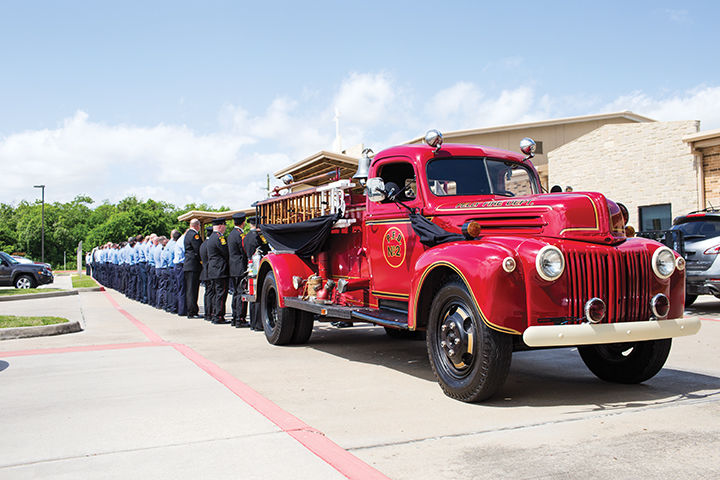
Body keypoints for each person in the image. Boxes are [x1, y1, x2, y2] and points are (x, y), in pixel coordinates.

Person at [243, 217, 269, 331]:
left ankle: (253, 322)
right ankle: (258, 323)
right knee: (258, 295)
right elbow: (266, 248)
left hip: (250, 266)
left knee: (253, 294)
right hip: (257, 265)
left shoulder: (246, 236)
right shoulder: (258, 236)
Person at [206, 218, 230, 324]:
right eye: (224, 226)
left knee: (216, 293)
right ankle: (219, 316)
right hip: (220, 269)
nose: (225, 228)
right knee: (221, 294)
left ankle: (214, 314)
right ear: (221, 226)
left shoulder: (211, 237)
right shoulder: (219, 237)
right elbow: (225, 251)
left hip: (213, 269)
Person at [228, 212, 248, 327]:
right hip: (240, 267)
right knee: (241, 293)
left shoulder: (231, 234)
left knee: (236, 293)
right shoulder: (240, 235)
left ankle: (235, 317)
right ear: (243, 222)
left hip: (233, 267)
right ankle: (240, 318)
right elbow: (244, 249)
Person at [183, 219, 202, 319]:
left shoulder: (187, 234)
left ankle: (191, 310)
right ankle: (192, 311)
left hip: (189, 265)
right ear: (197, 226)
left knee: (191, 289)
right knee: (192, 290)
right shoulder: (194, 235)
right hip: (193, 265)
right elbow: (198, 250)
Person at [200, 225, 213, 320]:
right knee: (211, 293)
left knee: (207, 293)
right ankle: (210, 313)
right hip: (210, 271)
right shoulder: (210, 244)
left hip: (204, 270)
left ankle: (207, 312)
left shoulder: (203, 244)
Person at [173, 229, 187, 317]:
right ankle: (182, 310)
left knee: (180, 288)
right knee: (182, 288)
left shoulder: (180, 240)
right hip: (180, 265)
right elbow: (186, 252)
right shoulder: (182, 241)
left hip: (178, 266)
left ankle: (181, 308)